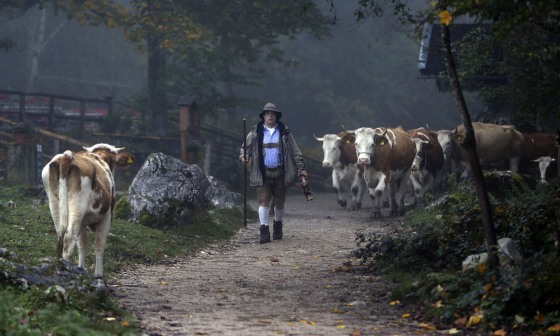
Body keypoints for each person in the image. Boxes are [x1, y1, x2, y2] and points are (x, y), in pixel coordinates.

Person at [240, 102, 308, 244]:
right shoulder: (255, 132)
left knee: (279, 202)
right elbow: (245, 149)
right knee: (264, 201)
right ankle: (264, 231)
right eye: (267, 113)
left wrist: (301, 168)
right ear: (263, 116)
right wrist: (244, 157)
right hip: (262, 172)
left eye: (273, 113)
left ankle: (278, 225)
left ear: (276, 116)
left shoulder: (284, 131)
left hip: (280, 171)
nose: (270, 115)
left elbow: (295, 152)